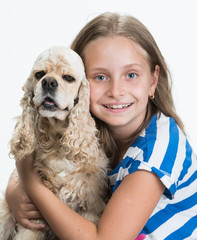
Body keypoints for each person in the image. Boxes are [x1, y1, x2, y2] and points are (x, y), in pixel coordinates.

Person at [5, 12, 197, 240]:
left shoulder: (157, 153)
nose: (116, 92)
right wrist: (13, 192)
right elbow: (38, 164)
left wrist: (33, 186)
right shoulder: (92, 127)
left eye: (131, 74)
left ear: (153, 81)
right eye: (100, 77)